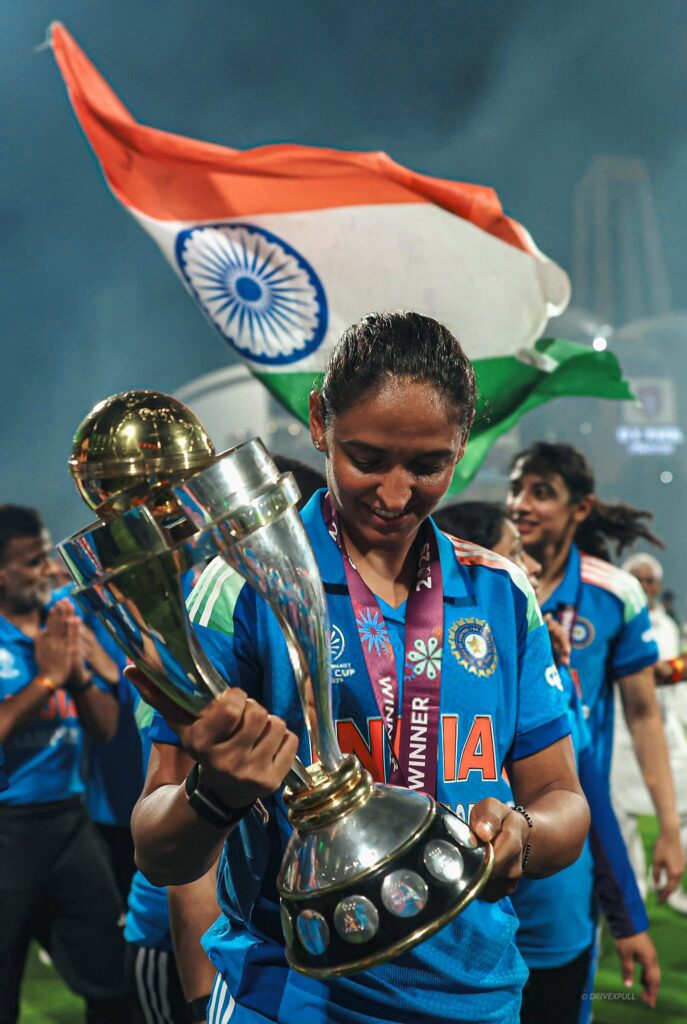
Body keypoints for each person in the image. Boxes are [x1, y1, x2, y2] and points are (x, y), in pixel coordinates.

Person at [131, 312, 590, 1024]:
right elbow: (158, 848)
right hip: (289, 996)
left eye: (428, 465)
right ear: (319, 422)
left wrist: (523, 835)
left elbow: (562, 796)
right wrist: (214, 794)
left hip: (477, 994)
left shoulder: (499, 590)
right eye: (367, 458)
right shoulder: (243, 586)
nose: (396, 494)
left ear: (462, 444)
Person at [435, 501, 660, 1018]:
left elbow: (583, 793)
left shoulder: (542, 658)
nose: (530, 567)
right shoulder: (448, 665)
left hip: (553, 920)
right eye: (515, 552)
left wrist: (626, 915)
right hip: (490, 927)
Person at [0, 505, 131, 1023]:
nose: (47, 572)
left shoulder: (60, 620)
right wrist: (47, 681)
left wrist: (74, 673)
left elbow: (104, 727)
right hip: (6, 830)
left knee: (112, 981)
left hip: (70, 825)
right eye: (33, 563)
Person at [611, 553, 687, 914]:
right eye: (637, 579)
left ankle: (671, 884)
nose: (645, 586)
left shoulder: (667, 625)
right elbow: (651, 674)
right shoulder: (615, 622)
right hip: (624, 735)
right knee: (621, 819)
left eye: (650, 579)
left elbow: (672, 689)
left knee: (681, 812)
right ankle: (635, 892)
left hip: (666, 732)